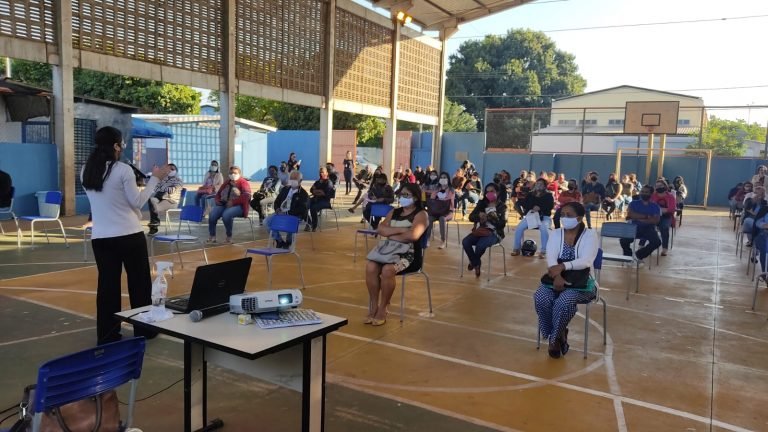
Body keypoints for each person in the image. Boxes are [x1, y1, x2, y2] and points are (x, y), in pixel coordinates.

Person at [81, 126, 170, 345]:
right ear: (116, 146)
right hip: (129, 235)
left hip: (101, 238)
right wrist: (154, 179)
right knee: (139, 284)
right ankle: (144, 330)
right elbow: (137, 202)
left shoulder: (86, 170)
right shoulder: (122, 169)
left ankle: (107, 335)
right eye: (121, 144)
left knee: (107, 288)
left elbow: (106, 201)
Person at [533, 201, 598, 358]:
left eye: (569, 215)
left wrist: (562, 267)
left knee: (564, 301)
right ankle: (559, 333)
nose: (564, 218)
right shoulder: (556, 234)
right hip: (555, 279)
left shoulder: (590, 235)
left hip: (582, 283)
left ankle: (554, 340)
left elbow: (586, 261)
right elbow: (551, 258)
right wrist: (558, 276)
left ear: (579, 218)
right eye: (562, 215)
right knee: (540, 297)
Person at [365, 183, 428, 325]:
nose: (402, 197)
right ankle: (374, 305)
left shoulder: (421, 214)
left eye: (406, 195)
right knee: (370, 266)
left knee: (388, 270)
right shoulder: (394, 212)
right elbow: (381, 228)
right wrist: (402, 231)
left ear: (415, 198)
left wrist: (390, 234)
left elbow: (413, 236)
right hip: (388, 251)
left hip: (410, 255)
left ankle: (383, 308)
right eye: (401, 195)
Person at [462, 183, 507, 277]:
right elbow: (471, 217)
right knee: (466, 241)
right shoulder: (482, 203)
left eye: (492, 191)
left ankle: (473, 262)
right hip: (481, 230)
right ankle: (476, 262)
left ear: (497, 192)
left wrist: (492, 217)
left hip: (495, 233)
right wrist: (479, 216)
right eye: (487, 191)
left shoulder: (502, 206)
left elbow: (502, 225)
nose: (489, 193)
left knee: (480, 245)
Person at [512, 178, 555, 258]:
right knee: (519, 227)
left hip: (544, 216)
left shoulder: (548, 195)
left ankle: (543, 251)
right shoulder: (530, 194)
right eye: (537, 184)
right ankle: (516, 248)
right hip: (532, 216)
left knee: (544, 228)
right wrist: (531, 207)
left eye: (541, 184)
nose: (539, 185)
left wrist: (540, 208)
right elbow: (525, 205)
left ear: (545, 186)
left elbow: (550, 206)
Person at [208, 166, 251, 243]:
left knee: (226, 215)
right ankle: (212, 236)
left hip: (239, 206)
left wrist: (233, 202)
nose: (232, 174)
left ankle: (229, 236)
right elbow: (218, 194)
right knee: (212, 215)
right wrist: (217, 200)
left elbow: (246, 196)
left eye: (235, 173)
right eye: (231, 173)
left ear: (239, 174)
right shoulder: (227, 182)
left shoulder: (243, 183)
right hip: (223, 204)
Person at [267, 170, 309, 248]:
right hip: (281, 213)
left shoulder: (303, 194)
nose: (292, 180)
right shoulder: (285, 189)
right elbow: (277, 201)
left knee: (291, 222)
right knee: (267, 221)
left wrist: (287, 213)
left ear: (300, 181)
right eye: (291, 178)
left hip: (294, 215)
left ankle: (288, 242)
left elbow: (302, 209)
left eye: (295, 179)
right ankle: (279, 241)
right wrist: (277, 209)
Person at [621, 185, 662, 262]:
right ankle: (628, 257)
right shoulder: (633, 203)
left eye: (646, 192)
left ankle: (638, 255)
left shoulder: (655, 206)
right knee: (623, 240)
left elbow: (656, 220)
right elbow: (631, 215)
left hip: (649, 228)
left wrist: (638, 218)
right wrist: (647, 216)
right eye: (642, 191)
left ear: (651, 194)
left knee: (657, 242)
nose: (643, 193)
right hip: (634, 227)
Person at [147, 163, 183, 235]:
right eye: (169, 169)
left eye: (172, 169)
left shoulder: (178, 180)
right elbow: (156, 188)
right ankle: (155, 224)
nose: (170, 170)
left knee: (155, 206)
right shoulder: (164, 179)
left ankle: (154, 226)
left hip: (171, 201)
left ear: (176, 170)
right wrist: (163, 188)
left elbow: (171, 190)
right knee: (151, 200)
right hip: (160, 198)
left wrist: (162, 188)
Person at [427, 172, 455, 249]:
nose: (443, 179)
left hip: (447, 212)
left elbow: (449, 201)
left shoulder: (451, 190)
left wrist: (440, 199)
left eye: (444, 177)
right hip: (436, 211)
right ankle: (427, 239)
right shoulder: (437, 188)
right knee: (429, 218)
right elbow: (432, 198)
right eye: (441, 177)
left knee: (442, 219)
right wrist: (435, 195)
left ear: (448, 179)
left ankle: (443, 240)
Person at [651, 179, 677, 256]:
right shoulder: (652, 196)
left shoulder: (671, 197)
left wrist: (659, 209)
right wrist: (663, 209)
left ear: (665, 186)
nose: (658, 187)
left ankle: (664, 248)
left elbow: (671, 209)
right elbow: (650, 207)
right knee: (648, 225)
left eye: (660, 186)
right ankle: (642, 245)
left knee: (664, 227)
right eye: (657, 186)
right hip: (654, 216)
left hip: (666, 217)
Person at [307, 166, 334, 232]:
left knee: (313, 208)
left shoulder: (329, 182)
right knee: (304, 205)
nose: (321, 174)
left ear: (326, 173)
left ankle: (314, 226)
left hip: (325, 201)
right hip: (315, 199)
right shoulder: (318, 182)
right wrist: (318, 191)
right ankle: (309, 223)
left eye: (322, 172)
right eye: (320, 172)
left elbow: (325, 193)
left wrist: (316, 191)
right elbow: (311, 190)